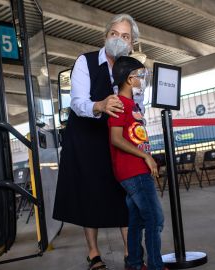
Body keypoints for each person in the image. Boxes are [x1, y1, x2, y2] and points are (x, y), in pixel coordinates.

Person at [53, 14, 142, 270]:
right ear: (106, 36)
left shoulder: (133, 69)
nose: (119, 39)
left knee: (125, 193)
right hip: (86, 136)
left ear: (132, 43)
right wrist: (101, 105)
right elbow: (77, 101)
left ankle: (130, 252)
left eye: (125, 36)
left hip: (117, 138)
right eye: (115, 33)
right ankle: (93, 253)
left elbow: (139, 105)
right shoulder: (86, 61)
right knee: (89, 195)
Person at [108, 56, 167, 270]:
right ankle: (155, 266)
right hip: (133, 171)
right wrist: (145, 156)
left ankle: (133, 263)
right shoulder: (119, 103)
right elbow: (116, 138)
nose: (143, 79)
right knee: (155, 219)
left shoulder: (132, 104)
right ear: (130, 79)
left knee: (137, 220)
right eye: (140, 75)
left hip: (138, 169)